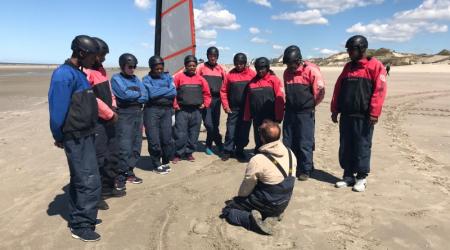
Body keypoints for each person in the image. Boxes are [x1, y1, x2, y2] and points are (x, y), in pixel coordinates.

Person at [48, 35, 101, 241]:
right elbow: (57, 110)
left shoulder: (79, 74)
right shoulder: (63, 75)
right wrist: (58, 135)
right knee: (87, 180)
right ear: (81, 53)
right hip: (75, 136)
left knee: (84, 177)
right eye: (92, 56)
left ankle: (83, 215)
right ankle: (80, 225)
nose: (95, 60)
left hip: (87, 134)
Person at [331, 35, 387, 192]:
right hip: (347, 115)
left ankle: (361, 178)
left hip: (364, 116)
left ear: (361, 49)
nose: (349, 53)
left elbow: (379, 91)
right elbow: (338, 88)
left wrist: (374, 113)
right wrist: (335, 109)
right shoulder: (348, 67)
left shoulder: (375, 66)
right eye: (348, 50)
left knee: (362, 146)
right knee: (346, 146)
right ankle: (348, 175)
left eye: (351, 50)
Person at [220, 120, 297, 235]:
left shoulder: (258, 159)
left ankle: (253, 223)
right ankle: (274, 214)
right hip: (284, 201)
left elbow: (246, 187)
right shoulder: (290, 153)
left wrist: (239, 200)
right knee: (267, 187)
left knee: (229, 210)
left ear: (262, 138)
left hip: (268, 202)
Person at [84, 37, 126, 211]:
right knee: (99, 159)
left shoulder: (101, 70)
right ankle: (97, 194)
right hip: (98, 122)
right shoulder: (85, 72)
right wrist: (109, 113)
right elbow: (91, 99)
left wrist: (114, 106)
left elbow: (109, 92)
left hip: (110, 119)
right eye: (101, 55)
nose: (103, 59)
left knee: (112, 155)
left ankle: (108, 188)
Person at [282, 45, 325, 181]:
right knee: (288, 140)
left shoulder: (311, 71)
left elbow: (320, 93)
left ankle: (306, 169)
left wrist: (310, 105)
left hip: (305, 113)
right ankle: (292, 166)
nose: (290, 66)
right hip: (290, 112)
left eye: (292, 63)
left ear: (298, 60)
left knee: (304, 142)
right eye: (288, 63)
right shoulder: (286, 72)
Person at [111, 53, 148, 185]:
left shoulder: (136, 79)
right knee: (124, 146)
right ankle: (120, 175)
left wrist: (135, 95)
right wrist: (137, 94)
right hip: (125, 114)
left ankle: (130, 172)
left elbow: (145, 96)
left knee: (136, 145)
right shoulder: (116, 79)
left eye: (134, 66)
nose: (132, 69)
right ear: (122, 66)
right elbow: (123, 95)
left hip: (138, 113)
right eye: (129, 66)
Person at [172, 55, 211, 163]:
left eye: (194, 65)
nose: (192, 67)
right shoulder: (178, 77)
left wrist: (205, 104)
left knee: (194, 133)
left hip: (196, 111)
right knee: (180, 133)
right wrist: (175, 105)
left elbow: (207, 94)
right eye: (190, 65)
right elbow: (173, 93)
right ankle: (178, 154)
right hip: (182, 110)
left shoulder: (201, 79)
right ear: (185, 66)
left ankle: (189, 153)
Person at [142, 55, 176, 174]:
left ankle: (165, 160)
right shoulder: (146, 79)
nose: (160, 70)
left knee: (167, 139)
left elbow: (174, 91)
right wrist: (166, 90)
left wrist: (159, 91)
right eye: (157, 68)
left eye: (161, 68)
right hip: (152, 110)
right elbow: (152, 94)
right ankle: (156, 163)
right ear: (151, 68)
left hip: (166, 110)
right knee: (154, 139)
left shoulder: (167, 77)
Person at [243, 57, 285, 153]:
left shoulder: (274, 80)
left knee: (270, 137)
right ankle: (258, 151)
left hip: (270, 116)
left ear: (267, 68)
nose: (260, 71)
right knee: (258, 136)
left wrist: (279, 116)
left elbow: (280, 98)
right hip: (257, 116)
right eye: (258, 69)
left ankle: (271, 155)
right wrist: (247, 115)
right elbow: (248, 100)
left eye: (263, 68)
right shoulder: (252, 82)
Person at [220, 53, 255, 161]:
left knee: (243, 132)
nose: (239, 65)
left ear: (245, 63)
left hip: (247, 109)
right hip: (233, 108)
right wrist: (226, 106)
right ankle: (228, 150)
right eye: (237, 63)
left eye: (241, 63)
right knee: (231, 131)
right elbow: (224, 91)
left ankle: (239, 150)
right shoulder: (230, 75)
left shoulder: (252, 74)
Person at [197, 47, 226, 155]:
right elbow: (195, 80)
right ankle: (219, 143)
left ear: (217, 56)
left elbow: (226, 84)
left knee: (215, 124)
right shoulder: (201, 67)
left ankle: (208, 145)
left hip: (217, 99)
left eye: (214, 56)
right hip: (205, 99)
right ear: (207, 56)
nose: (212, 58)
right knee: (209, 124)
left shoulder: (221, 69)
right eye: (210, 56)